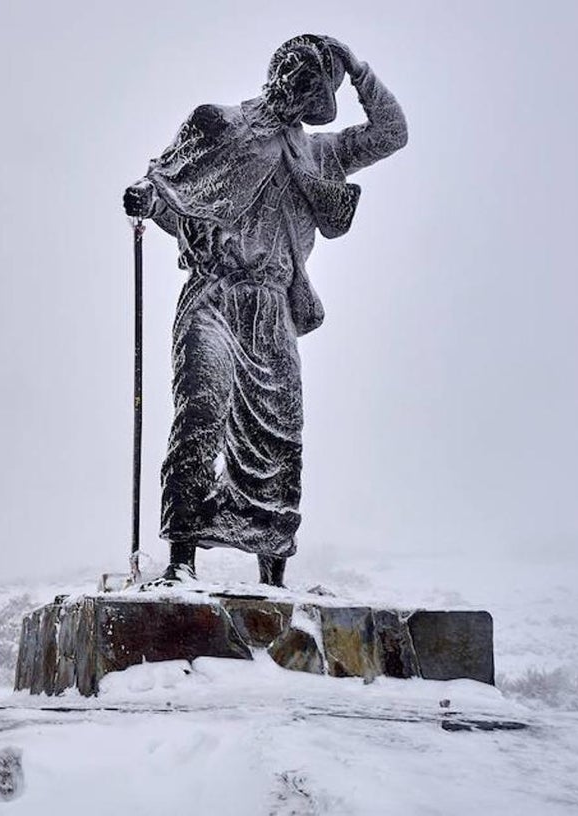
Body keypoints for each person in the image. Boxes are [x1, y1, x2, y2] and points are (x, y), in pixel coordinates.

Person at [123, 35, 407, 587]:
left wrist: (356, 67)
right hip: (215, 293)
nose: (304, 85)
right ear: (280, 71)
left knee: (278, 438)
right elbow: (170, 183)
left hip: (273, 308)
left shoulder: (320, 155)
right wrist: (147, 198)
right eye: (299, 71)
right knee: (202, 412)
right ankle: (182, 562)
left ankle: (271, 576)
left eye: (318, 80)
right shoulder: (219, 124)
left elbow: (392, 133)